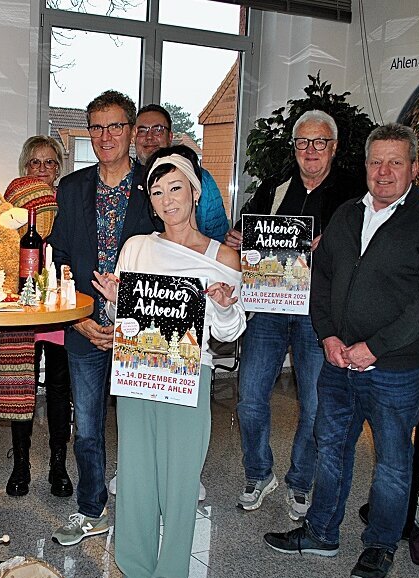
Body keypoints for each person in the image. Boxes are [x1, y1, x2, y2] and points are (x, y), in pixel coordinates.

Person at [264, 123, 419, 578]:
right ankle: (321, 532)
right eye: (376, 161)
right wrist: (329, 337)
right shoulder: (349, 214)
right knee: (330, 447)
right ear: (365, 165)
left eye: (396, 162)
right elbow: (323, 279)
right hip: (337, 362)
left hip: (396, 367)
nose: (384, 171)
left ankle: (379, 545)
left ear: (414, 167)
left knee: (393, 459)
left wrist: (374, 347)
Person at [94, 147, 245, 578]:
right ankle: (135, 570)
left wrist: (221, 303)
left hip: (188, 374)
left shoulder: (224, 256)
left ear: (194, 192)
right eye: (157, 193)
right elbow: (131, 320)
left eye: (175, 188)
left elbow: (230, 330)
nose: (166, 200)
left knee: (180, 477)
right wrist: (119, 300)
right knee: (136, 473)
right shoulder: (137, 246)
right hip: (139, 372)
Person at [225, 110, 364, 520]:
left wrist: (329, 243)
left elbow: (362, 247)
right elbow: (245, 230)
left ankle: (300, 481)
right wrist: (239, 237)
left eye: (319, 142)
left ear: (333, 148)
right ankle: (259, 473)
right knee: (250, 397)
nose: (310, 150)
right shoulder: (275, 185)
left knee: (316, 404)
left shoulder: (354, 195)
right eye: (303, 142)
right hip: (268, 307)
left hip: (317, 313)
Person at [46, 90, 154, 546]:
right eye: (96, 127)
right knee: (87, 428)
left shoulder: (157, 185)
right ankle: (92, 508)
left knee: (141, 428)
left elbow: (170, 256)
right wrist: (78, 319)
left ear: (131, 131)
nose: (105, 136)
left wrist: (128, 317)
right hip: (85, 326)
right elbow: (58, 257)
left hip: (142, 328)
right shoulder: (71, 189)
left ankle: (145, 509)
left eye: (115, 126)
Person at [1, 164, 73, 498]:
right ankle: (21, 465)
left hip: (57, 316)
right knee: (21, 388)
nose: (42, 169)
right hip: (21, 318)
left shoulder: (63, 211)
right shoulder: (12, 214)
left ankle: (58, 464)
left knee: (60, 389)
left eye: (49, 162)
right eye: (35, 162)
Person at [133, 103, 228, 242]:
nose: (149, 137)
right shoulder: (126, 181)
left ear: (170, 136)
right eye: (142, 130)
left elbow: (217, 237)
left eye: (158, 130)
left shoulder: (201, 179)